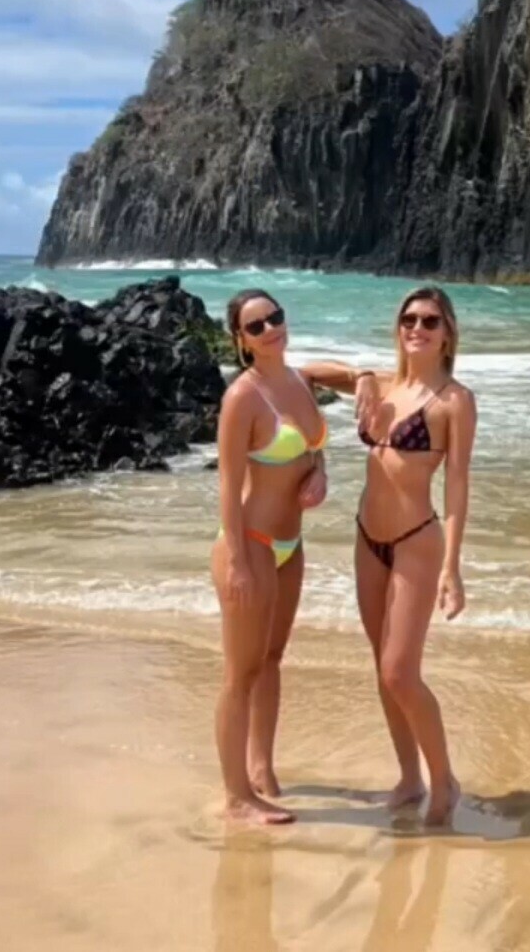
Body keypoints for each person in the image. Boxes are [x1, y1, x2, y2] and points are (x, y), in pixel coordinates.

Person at [302, 285, 476, 826]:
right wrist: (358, 375)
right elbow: (304, 374)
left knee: (401, 671)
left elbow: (457, 487)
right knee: (383, 668)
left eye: (429, 320)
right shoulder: (381, 384)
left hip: (415, 541)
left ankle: (443, 780)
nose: (417, 328)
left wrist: (452, 568)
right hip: (367, 539)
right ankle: (409, 777)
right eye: (408, 319)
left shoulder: (454, 401)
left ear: (447, 334)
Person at [211, 288, 328, 826]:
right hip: (250, 544)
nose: (270, 329)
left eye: (274, 317)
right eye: (255, 326)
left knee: (273, 659)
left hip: (290, 545)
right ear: (241, 340)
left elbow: (312, 448)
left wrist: (320, 472)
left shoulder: (300, 382)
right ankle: (236, 797)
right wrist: (236, 561)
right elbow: (228, 483)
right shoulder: (243, 397)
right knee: (241, 673)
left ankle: (261, 768)